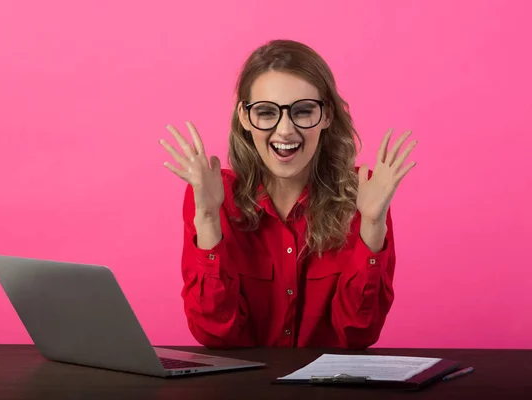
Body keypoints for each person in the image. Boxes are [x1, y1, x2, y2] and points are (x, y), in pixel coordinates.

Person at [159, 39, 417, 349]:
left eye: (303, 111)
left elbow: (357, 335)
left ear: (327, 115)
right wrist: (209, 218)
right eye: (267, 112)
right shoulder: (215, 195)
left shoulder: (363, 195)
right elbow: (214, 334)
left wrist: (372, 225)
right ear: (244, 117)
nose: (284, 130)